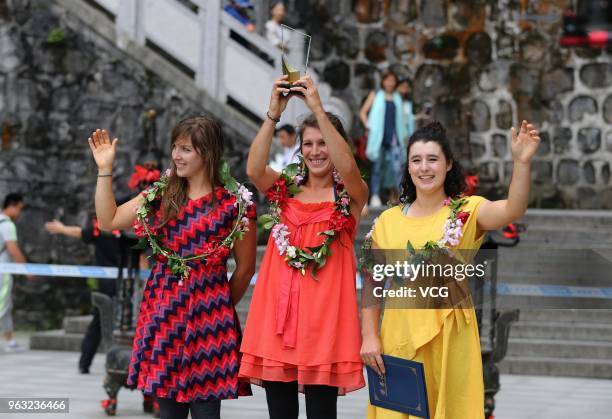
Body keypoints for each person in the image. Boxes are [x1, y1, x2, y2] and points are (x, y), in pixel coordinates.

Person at [361, 120, 541, 418]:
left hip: (451, 337)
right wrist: (369, 335)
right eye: (416, 160)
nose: (424, 167)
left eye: (433, 159)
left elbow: (513, 209)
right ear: (407, 167)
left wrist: (521, 163)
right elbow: (371, 282)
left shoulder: (466, 211)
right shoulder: (388, 221)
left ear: (448, 165)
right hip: (399, 334)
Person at [87, 116, 257, 419]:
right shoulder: (162, 195)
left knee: (207, 412)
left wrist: (217, 304)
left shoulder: (234, 204)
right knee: (168, 413)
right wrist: (105, 170)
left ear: (208, 152)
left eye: (186, 149)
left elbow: (245, 269)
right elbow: (108, 220)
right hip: (164, 313)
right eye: (175, 147)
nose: (176, 155)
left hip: (211, 321)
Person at [240, 75, 368, 419]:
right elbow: (253, 168)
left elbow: (349, 167)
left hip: (324, 324)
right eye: (308, 144)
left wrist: (317, 108)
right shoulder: (285, 191)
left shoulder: (350, 197)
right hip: (278, 320)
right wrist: (272, 114)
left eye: (323, 142)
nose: (315, 151)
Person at [45, 216, 121, 373]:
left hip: (107, 283)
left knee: (99, 321)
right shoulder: (129, 230)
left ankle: (85, 363)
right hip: (124, 282)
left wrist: (61, 228)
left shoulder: (101, 229)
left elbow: (79, 232)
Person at [359, 71, 407, 208]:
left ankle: (400, 196)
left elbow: (402, 119)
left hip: (394, 137)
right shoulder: (376, 95)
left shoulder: (397, 97)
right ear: (383, 81)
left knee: (397, 168)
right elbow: (363, 112)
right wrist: (368, 126)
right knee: (377, 168)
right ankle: (374, 195)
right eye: (388, 80)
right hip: (378, 137)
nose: (390, 83)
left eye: (392, 80)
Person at [0, 193, 29, 352]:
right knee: (2, 305)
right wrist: (26, 269)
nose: (19, 213)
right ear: (11, 205)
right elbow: (13, 250)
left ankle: (10, 340)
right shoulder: (7, 224)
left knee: (6, 305)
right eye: (19, 208)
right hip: (3, 271)